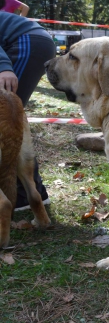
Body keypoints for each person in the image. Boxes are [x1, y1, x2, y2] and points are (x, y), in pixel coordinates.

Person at [0, 12, 54, 210]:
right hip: (30, 41)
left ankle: (24, 196)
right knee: (12, 122)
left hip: (26, 43)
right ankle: (33, 193)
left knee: (10, 119)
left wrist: (4, 67)